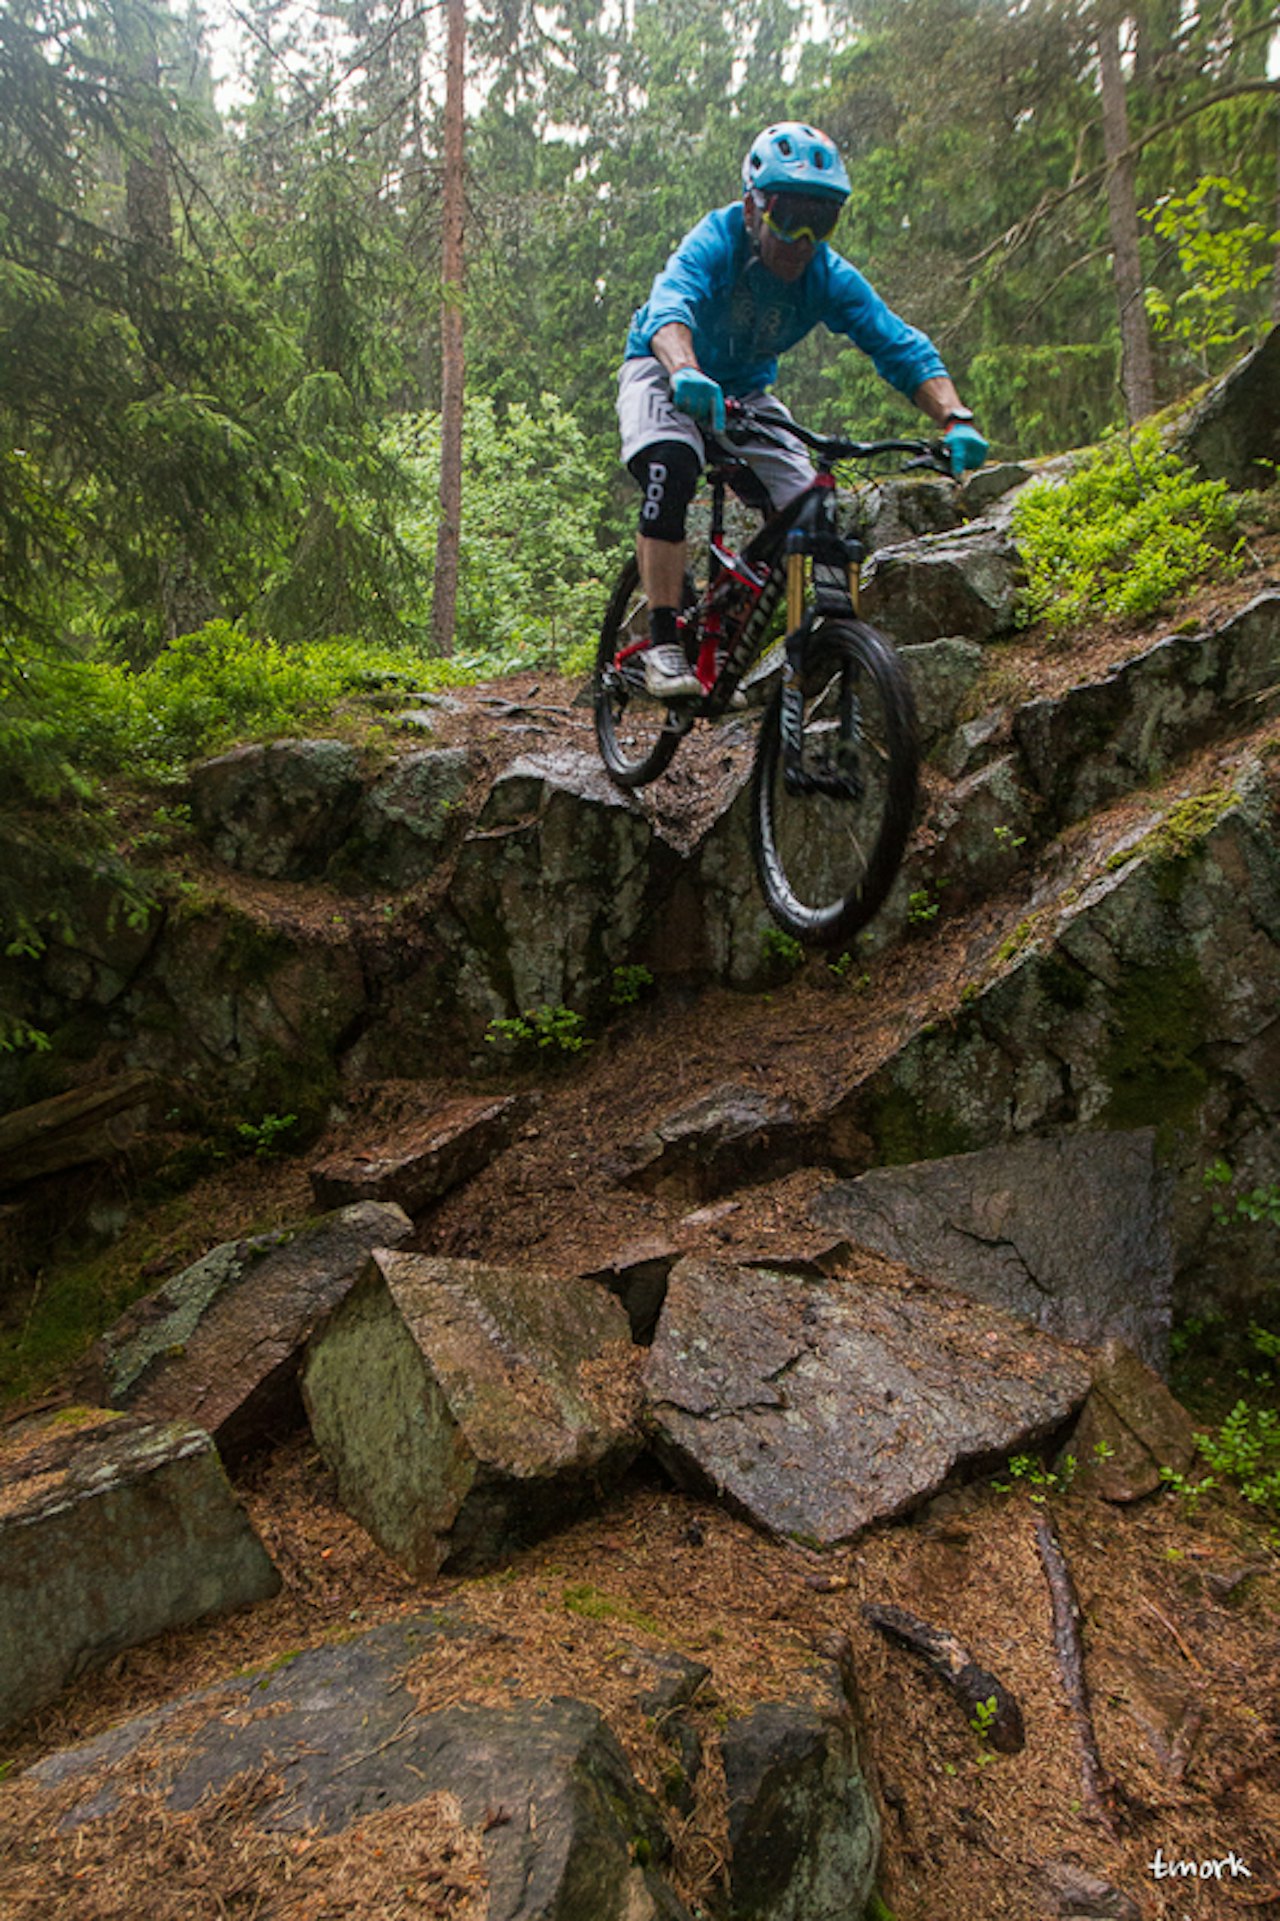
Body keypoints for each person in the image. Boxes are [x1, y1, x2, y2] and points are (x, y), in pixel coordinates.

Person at [618, 121, 989, 700]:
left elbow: (897, 344)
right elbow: (671, 303)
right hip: (664, 366)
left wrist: (953, 417)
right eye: (789, 216)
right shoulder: (716, 239)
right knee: (671, 463)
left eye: (822, 222)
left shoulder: (827, 276)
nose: (802, 239)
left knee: (813, 509)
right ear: (752, 208)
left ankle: (780, 634)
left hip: (745, 392)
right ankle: (664, 644)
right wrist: (686, 369)